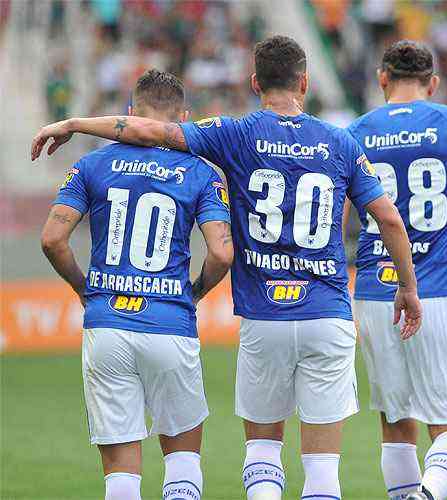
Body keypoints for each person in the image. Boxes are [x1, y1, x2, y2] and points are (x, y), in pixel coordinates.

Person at [32, 35, 423, 500]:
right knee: (322, 470)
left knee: (261, 453)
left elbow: (152, 134)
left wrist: (75, 122)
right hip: (326, 313)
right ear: (305, 81)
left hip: (262, 317)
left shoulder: (233, 132)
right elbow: (389, 219)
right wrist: (408, 288)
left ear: (255, 81)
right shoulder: (340, 142)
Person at [37, 69, 234, 500]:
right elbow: (222, 253)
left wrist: (84, 288)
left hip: (107, 321)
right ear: (182, 118)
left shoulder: (91, 164)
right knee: (182, 459)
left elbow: (53, 239)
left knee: (121, 475)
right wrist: (195, 291)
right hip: (169, 321)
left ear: (130, 113)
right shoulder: (200, 172)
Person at [345, 40, 447, 500]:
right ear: (433, 83)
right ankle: (428, 495)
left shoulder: (355, 131)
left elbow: (340, 221)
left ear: (382, 79)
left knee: (395, 422)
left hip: (376, 291)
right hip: (440, 292)